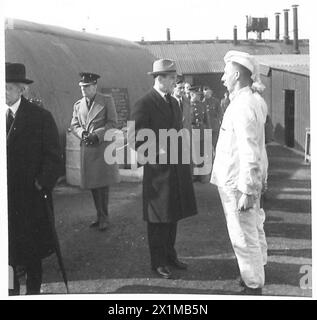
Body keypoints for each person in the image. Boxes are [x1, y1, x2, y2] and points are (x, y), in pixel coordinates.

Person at [130, 59, 197, 279]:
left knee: (173, 215)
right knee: (158, 219)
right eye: (172, 79)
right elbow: (135, 139)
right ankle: (158, 262)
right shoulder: (144, 103)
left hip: (176, 169)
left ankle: (170, 255)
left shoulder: (174, 102)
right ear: (160, 78)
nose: (175, 82)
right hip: (158, 173)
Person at [210, 51, 268, 295]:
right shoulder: (253, 100)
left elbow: (250, 150)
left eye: (226, 73)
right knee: (255, 227)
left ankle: (253, 283)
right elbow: (260, 147)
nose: (223, 78)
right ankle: (259, 268)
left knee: (243, 236)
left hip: (237, 182)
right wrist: (258, 181)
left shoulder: (242, 105)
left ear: (236, 75)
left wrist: (247, 189)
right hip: (244, 179)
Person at [6, 62, 63, 295]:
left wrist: (42, 182)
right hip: (5, 201)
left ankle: (33, 293)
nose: (3, 92)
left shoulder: (40, 117)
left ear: (21, 89)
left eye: (8, 87)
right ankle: (9, 292)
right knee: (7, 254)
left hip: (31, 198)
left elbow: (54, 157)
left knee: (32, 251)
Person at [70, 72, 120, 231]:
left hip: (102, 147)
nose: (84, 90)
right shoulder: (78, 105)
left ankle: (104, 217)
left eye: (87, 87)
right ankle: (99, 216)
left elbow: (113, 123)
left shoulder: (106, 101)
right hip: (88, 148)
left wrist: (96, 135)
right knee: (93, 184)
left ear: (95, 86)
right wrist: (82, 134)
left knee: (102, 185)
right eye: (82, 87)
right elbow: (74, 124)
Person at [190, 86, 210, 183]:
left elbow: (206, 119)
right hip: (192, 131)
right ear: (192, 94)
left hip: (201, 131)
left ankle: (200, 174)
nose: (199, 96)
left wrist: (208, 131)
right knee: (194, 153)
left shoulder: (202, 105)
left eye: (199, 95)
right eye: (197, 95)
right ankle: (194, 174)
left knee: (201, 153)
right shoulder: (188, 105)